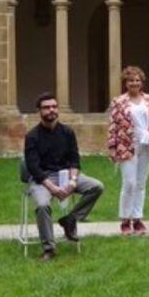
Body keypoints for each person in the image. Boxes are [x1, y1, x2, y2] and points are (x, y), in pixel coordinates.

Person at [24, 93, 105, 261]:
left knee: (96, 186)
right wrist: (52, 188)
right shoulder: (32, 136)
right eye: (46, 107)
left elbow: (75, 160)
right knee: (42, 205)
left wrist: (73, 180)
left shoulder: (67, 132)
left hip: (66, 175)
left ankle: (70, 219)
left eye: (54, 106)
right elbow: (34, 168)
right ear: (39, 111)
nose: (51, 110)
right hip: (42, 179)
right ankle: (49, 248)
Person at [107, 65, 149, 236]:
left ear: (142, 82)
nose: (134, 83)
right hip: (127, 145)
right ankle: (125, 219)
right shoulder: (119, 102)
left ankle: (138, 218)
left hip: (147, 145)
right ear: (125, 83)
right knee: (129, 183)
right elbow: (113, 126)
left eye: (137, 80)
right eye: (131, 80)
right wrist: (112, 147)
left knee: (141, 184)